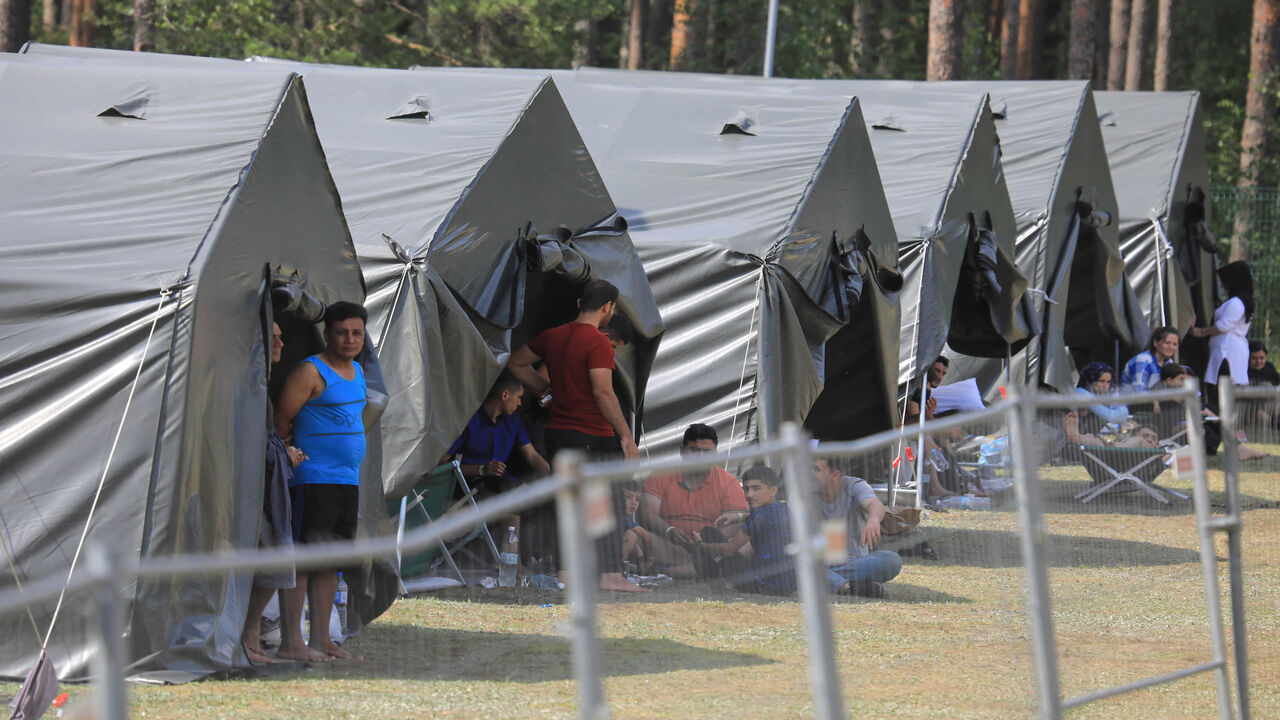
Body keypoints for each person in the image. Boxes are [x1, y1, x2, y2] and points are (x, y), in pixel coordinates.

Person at [506, 279, 645, 593]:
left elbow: (515, 360)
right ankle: (610, 574)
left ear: (580, 303)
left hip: (557, 434)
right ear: (608, 308)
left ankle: (565, 572)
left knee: (565, 504)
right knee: (606, 502)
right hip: (593, 434)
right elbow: (604, 393)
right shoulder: (597, 342)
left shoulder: (554, 336)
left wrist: (543, 387)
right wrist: (625, 435)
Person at [275, 301, 369, 662]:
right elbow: (281, 423)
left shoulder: (358, 372)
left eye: (356, 333)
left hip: (346, 482)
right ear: (327, 333)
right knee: (303, 559)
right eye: (342, 332)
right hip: (313, 480)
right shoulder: (309, 371)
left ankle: (321, 640)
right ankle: (291, 642)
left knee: (331, 560)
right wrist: (293, 457)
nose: (349, 339)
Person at [241, 322, 304, 665]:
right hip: (251, 492)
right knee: (273, 557)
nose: (281, 339)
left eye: (282, 333)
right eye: (273, 334)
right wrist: (283, 453)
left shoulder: (259, 382)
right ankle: (250, 637)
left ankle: (252, 635)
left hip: (263, 488)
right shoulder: (247, 383)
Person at [640, 424, 750, 580]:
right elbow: (646, 515)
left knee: (749, 541)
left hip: (710, 548)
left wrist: (703, 542)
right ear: (682, 451)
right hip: (669, 545)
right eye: (694, 450)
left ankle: (671, 571)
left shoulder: (728, 481)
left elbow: (734, 523)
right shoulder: (660, 474)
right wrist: (669, 531)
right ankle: (704, 569)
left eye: (707, 452)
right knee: (633, 535)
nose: (700, 457)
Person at [441, 370, 550, 491]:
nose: (520, 403)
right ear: (505, 395)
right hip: (470, 484)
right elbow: (443, 464)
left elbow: (532, 455)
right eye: (519, 398)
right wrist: (481, 469)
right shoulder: (468, 421)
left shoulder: (514, 421)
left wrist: (554, 475)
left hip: (503, 482)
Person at [813, 456, 901, 598]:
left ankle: (831, 580)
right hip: (818, 562)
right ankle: (848, 587)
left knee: (892, 561)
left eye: (815, 469)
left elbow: (874, 503)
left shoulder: (854, 485)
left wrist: (873, 519)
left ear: (834, 475)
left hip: (853, 564)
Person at [1191, 261, 1254, 404]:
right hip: (1228, 350)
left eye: (1223, 281)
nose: (1221, 285)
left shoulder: (1236, 302)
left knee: (1222, 390)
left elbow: (1223, 326)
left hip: (1227, 353)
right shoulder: (1240, 301)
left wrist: (1201, 332)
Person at [734, 465, 796, 596]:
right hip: (790, 583)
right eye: (746, 489)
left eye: (756, 489)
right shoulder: (784, 509)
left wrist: (702, 543)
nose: (749, 495)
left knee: (713, 538)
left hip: (762, 584)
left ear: (773, 490)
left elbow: (729, 549)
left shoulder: (760, 514)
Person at [1073, 362, 1128, 435]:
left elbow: (1123, 413)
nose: (1106, 386)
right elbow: (1111, 416)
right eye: (1102, 381)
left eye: (1108, 382)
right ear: (1091, 381)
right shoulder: (1080, 392)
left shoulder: (1108, 395)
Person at [1121, 326, 1180, 393]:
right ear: (1155, 343)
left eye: (1175, 344)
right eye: (1167, 343)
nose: (1171, 347)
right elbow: (1139, 393)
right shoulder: (1143, 360)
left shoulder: (1169, 362)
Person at [619, 482, 654, 574]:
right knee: (631, 536)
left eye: (637, 499)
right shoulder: (620, 517)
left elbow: (636, 544)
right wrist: (650, 559)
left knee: (633, 536)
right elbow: (646, 536)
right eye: (628, 497)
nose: (634, 503)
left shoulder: (628, 517)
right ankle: (615, 570)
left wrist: (641, 559)